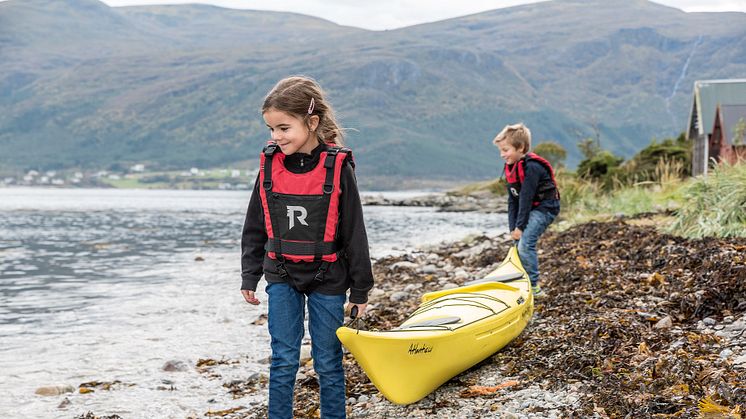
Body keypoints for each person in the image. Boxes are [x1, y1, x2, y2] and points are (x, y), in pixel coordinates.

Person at [240, 76, 374, 419]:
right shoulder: (269, 165)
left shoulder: (338, 166)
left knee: (328, 361)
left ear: (311, 122)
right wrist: (249, 275)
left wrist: (361, 288)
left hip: (328, 276)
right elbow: (255, 224)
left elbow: (354, 230)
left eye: (284, 128)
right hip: (281, 274)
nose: (276, 137)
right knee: (283, 359)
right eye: (271, 130)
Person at [493, 123, 560, 298]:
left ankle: (534, 287)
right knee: (517, 244)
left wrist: (520, 227)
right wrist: (513, 228)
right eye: (500, 150)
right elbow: (513, 201)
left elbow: (526, 198)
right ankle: (521, 281)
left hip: (546, 208)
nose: (502, 155)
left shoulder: (533, 167)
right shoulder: (511, 167)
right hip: (529, 208)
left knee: (525, 245)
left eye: (505, 150)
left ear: (520, 147)